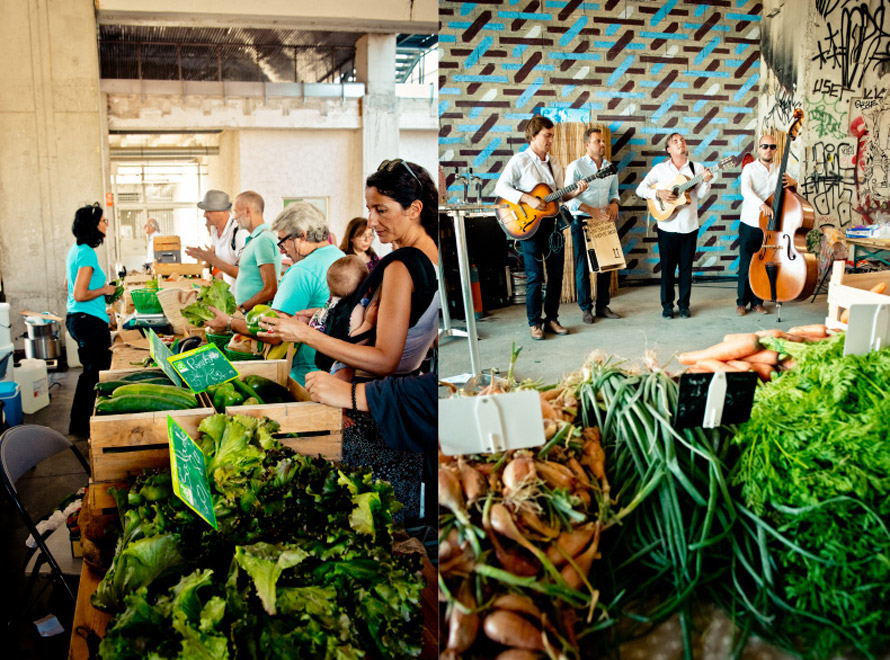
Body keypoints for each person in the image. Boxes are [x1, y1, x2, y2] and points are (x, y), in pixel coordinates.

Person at [259, 158, 439, 522]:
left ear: (414, 209)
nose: (371, 221)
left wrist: (306, 334)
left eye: (381, 209)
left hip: (371, 416)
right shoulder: (432, 256)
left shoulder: (403, 266)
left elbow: (385, 357)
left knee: (369, 520)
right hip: (392, 409)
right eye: (369, 209)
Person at [204, 201, 343, 385]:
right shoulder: (342, 257)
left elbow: (274, 333)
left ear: (302, 236)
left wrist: (229, 323)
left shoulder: (301, 271)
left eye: (284, 242)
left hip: (305, 376)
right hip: (336, 374)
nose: (281, 250)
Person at [494, 115, 587, 340]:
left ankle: (552, 319)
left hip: (552, 226)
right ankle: (534, 323)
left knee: (556, 275)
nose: (550, 140)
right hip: (528, 227)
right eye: (547, 136)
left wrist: (576, 192)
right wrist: (527, 198)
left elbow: (559, 195)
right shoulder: (520, 160)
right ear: (533, 136)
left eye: (552, 136)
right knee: (535, 277)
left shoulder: (554, 163)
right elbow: (501, 187)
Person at [304, 370, 436, 522]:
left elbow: (388, 361)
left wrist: (350, 393)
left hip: (390, 408)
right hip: (381, 402)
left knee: (387, 514)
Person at [635, 133, 713, 319]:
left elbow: (700, 195)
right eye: (675, 141)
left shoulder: (697, 168)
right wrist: (658, 194)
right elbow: (640, 189)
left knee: (686, 269)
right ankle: (667, 306)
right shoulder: (660, 169)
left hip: (689, 226)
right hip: (666, 226)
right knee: (668, 269)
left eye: (682, 140)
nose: (681, 143)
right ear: (668, 149)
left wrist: (707, 181)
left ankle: (684, 305)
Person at [65, 204, 117, 436]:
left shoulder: (75, 250)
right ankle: (85, 427)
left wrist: (100, 304)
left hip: (81, 318)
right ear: (93, 225)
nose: (106, 224)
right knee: (95, 373)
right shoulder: (87, 252)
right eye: (104, 221)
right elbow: (80, 294)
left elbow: (71, 288)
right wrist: (105, 289)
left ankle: (80, 424)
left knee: (91, 371)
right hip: (88, 321)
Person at [565, 127, 622, 324]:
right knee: (583, 266)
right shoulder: (576, 167)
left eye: (603, 141)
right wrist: (591, 211)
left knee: (605, 265)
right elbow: (567, 199)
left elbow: (615, 192)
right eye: (598, 141)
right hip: (582, 220)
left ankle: (602, 306)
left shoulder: (610, 167)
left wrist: (614, 203)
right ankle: (586, 309)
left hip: (604, 221)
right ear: (587, 145)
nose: (602, 144)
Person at [737, 134, 798, 316]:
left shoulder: (781, 170)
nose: (768, 150)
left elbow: (790, 196)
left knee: (764, 265)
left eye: (772, 147)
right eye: (765, 146)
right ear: (759, 148)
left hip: (771, 226)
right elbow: (745, 190)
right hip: (750, 222)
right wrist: (761, 204)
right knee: (747, 263)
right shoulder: (749, 168)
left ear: (776, 150)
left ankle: (758, 302)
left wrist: (795, 184)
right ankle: (741, 302)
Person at [230, 191, 281, 313]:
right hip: (251, 314)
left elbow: (270, 289)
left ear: (247, 211)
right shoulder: (256, 238)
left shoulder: (263, 239)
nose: (235, 217)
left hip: (255, 316)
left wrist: (242, 308)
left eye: (236, 211)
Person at [185, 189, 247, 288]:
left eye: (208, 211)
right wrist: (204, 256)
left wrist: (212, 260)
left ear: (223, 211)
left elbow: (244, 274)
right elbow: (220, 258)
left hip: (243, 298)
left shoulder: (239, 232)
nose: (204, 214)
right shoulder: (214, 229)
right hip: (228, 294)